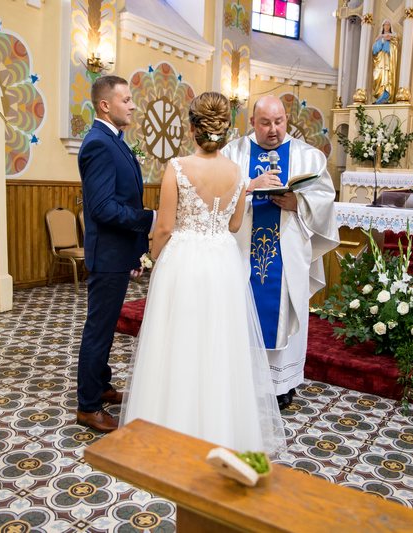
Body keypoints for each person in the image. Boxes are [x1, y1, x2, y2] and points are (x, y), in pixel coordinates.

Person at [120, 92, 285, 455]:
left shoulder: (177, 168)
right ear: (225, 130)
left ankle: (170, 430)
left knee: (177, 343)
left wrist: (152, 259)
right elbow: (235, 224)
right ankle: (219, 432)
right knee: (219, 346)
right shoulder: (237, 172)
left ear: (192, 128)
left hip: (184, 262)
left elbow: (164, 227)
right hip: (222, 263)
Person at [222, 96, 338, 411]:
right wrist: (250, 185)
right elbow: (217, 193)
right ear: (252, 122)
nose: (273, 130)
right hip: (242, 252)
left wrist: (299, 203)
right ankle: (242, 380)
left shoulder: (307, 156)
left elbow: (325, 198)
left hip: (286, 252)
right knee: (240, 314)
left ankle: (281, 385)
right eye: (265, 123)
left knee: (286, 313)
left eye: (279, 122)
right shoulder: (233, 153)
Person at [76, 75, 155, 433]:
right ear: (105, 105)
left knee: (106, 328)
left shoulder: (113, 141)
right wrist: (150, 219)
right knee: (99, 329)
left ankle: (102, 385)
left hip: (118, 252)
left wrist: (136, 251)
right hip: (106, 255)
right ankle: (88, 406)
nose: (133, 105)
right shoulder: (98, 144)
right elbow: (103, 208)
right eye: (126, 100)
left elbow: (124, 198)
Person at [372, 19, 399, 105]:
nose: (387, 26)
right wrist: (382, 40)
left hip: (388, 63)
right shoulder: (379, 37)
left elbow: (395, 48)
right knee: (379, 78)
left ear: (390, 27)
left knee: (387, 78)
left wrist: (389, 41)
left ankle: (386, 97)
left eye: (388, 25)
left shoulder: (393, 36)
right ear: (383, 26)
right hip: (380, 62)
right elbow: (374, 51)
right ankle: (379, 97)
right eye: (385, 25)